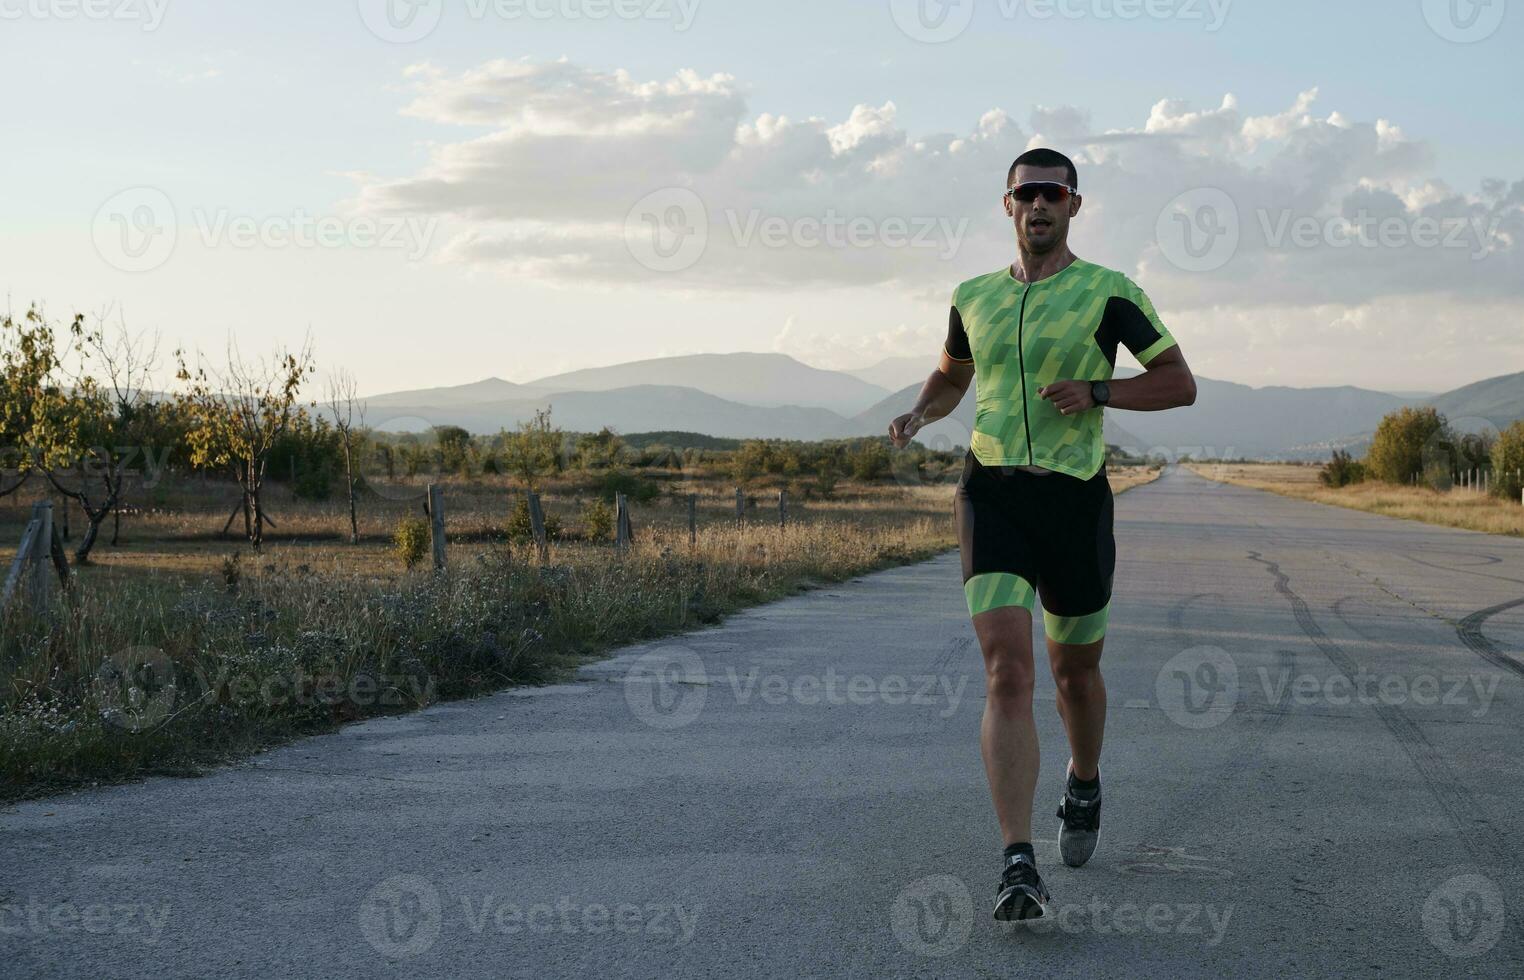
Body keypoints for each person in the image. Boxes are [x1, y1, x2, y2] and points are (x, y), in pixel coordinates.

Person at [888, 147, 1197, 921]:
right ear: (1007, 205)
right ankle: (1017, 859)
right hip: (990, 492)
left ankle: (1084, 780)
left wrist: (1098, 389)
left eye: (1052, 193)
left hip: (1074, 501)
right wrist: (924, 411)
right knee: (1006, 674)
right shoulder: (973, 295)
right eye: (1025, 194)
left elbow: (1179, 384)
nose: (1039, 205)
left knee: (1074, 676)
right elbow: (955, 372)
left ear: (1074, 205)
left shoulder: (1108, 293)